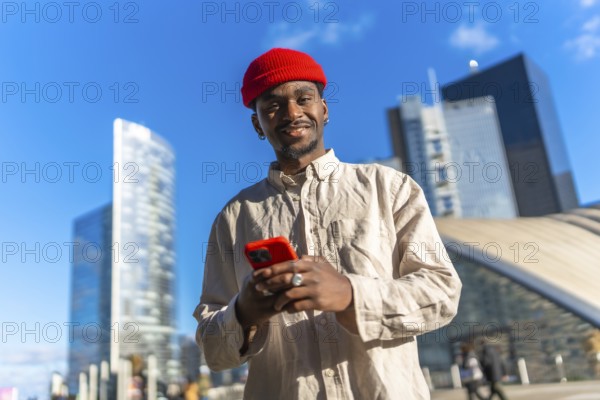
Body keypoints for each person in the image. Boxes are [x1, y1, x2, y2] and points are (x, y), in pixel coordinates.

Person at [193, 47, 462, 399]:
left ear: (324, 109)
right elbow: (213, 351)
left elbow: (442, 293)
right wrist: (244, 313)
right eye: (272, 105)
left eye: (304, 98)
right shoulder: (234, 218)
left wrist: (351, 295)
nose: (292, 112)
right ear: (258, 123)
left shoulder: (390, 188)